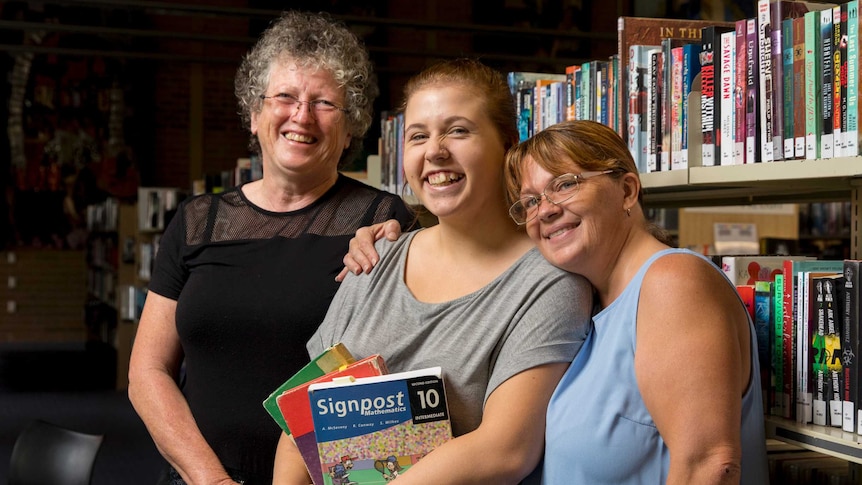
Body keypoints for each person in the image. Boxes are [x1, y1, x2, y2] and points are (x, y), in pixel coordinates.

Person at [342, 119, 770, 484]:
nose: (544, 211)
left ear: (626, 190)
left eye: (565, 185)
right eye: (530, 201)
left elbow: (709, 466)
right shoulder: (595, 304)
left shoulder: (672, 282)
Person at [127, 11, 414, 485]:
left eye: (324, 103)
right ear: (255, 114)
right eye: (285, 97)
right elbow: (147, 371)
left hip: (329, 480)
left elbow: (394, 374)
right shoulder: (198, 222)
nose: (301, 115)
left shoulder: (382, 221)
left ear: (349, 132)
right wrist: (211, 480)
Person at [273, 58, 593, 484]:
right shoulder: (374, 259)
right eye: (418, 136)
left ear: (508, 145)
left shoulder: (550, 282)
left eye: (458, 130)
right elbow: (302, 424)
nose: (435, 151)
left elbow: (505, 451)